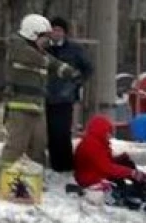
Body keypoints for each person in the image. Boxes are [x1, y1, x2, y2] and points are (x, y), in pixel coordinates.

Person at [0, 14, 79, 187]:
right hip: (20, 108)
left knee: (38, 148)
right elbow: (43, 60)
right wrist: (52, 62)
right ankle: (3, 181)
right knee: (15, 147)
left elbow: (52, 62)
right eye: (45, 38)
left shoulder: (38, 52)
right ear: (32, 34)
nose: (47, 42)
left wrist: (69, 71)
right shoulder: (18, 48)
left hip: (37, 107)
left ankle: (33, 183)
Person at [46, 16, 93, 174]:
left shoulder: (74, 50)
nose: (56, 33)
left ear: (65, 32)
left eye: (59, 30)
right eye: (53, 29)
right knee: (50, 132)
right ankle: (54, 163)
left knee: (62, 131)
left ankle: (65, 164)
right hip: (46, 95)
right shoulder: (44, 48)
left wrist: (76, 83)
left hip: (65, 97)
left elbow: (88, 68)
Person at [73, 114, 146, 189]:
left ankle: (140, 187)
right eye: (108, 132)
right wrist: (131, 173)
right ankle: (136, 190)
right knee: (121, 174)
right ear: (101, 131)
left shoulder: (97, 142)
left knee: (125, 162)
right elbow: (107, 168)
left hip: (96, 173)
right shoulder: (91, 145)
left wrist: (120, 159)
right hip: (91, 179)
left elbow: (103, 163)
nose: (109, 136)